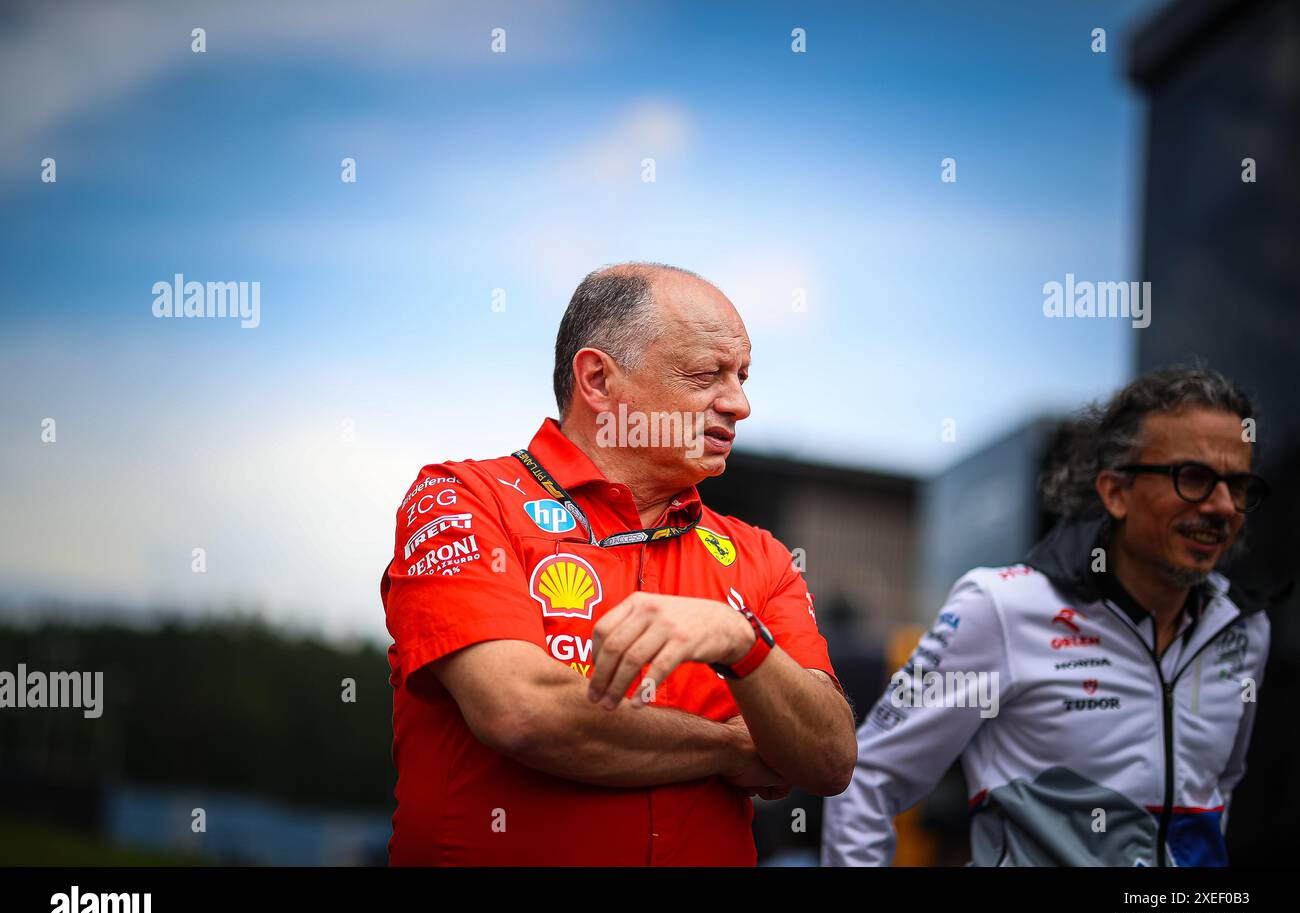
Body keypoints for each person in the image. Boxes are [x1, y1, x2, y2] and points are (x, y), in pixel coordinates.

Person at [381, 262, 856, 865]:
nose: (739, 404)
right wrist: (734, 748)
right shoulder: (462, 499)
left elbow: (831, 759)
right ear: (599, 380)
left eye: (742, 376)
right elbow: (523, 712)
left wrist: (743, 644)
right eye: (707, 374)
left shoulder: (760, 554)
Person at [822, 365, 1288, 866]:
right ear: (1116, 492)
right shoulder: (1003, 606)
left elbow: (1218, 787)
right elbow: (866, 777)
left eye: (1238, 485)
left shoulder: (1244, 628)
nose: (1222, 506)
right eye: (1193, 478)